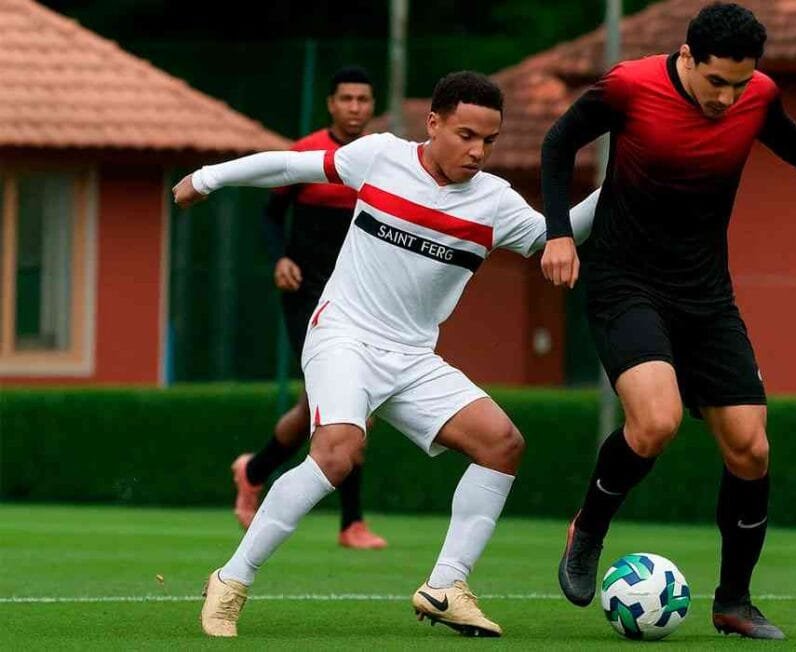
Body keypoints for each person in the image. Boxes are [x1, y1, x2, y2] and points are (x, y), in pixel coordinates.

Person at [538, 2, 796, 640]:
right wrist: (558, 233)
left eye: (739, 84)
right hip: (625, 282)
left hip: (706, 295)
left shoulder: (758, 94)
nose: (727, 97)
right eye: (717, 81)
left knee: (750, 448)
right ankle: (589, 529)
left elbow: (795, 143)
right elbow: (558, 143)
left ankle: (734, 602)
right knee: (655, 423)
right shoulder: (631, 85)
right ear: (688, 56)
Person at [172, 71, 598, 639]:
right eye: (466, 135)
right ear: (433, 123)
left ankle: (446, 586)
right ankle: (231, 580)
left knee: (502, 444)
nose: (478, 150)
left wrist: (623, 180)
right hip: (343, 334)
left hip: (413, 357)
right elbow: (290, 166)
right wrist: (207, 178)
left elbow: (561, 234)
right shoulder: (379, 157)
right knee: (337, 452)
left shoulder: (495, 201)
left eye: (489, 140)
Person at [233, 65, 386, 550]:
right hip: (306, 295)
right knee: (349, 403)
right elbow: (270, 216)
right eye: (347, 99)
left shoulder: (381, 159)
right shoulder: (305, 152)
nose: (355, 107)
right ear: (331, 104)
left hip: (359, 298)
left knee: (314, 407)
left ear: (373, 106)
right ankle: (352, 523)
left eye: (363, 99)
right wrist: (279, 258)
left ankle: (253, 471)